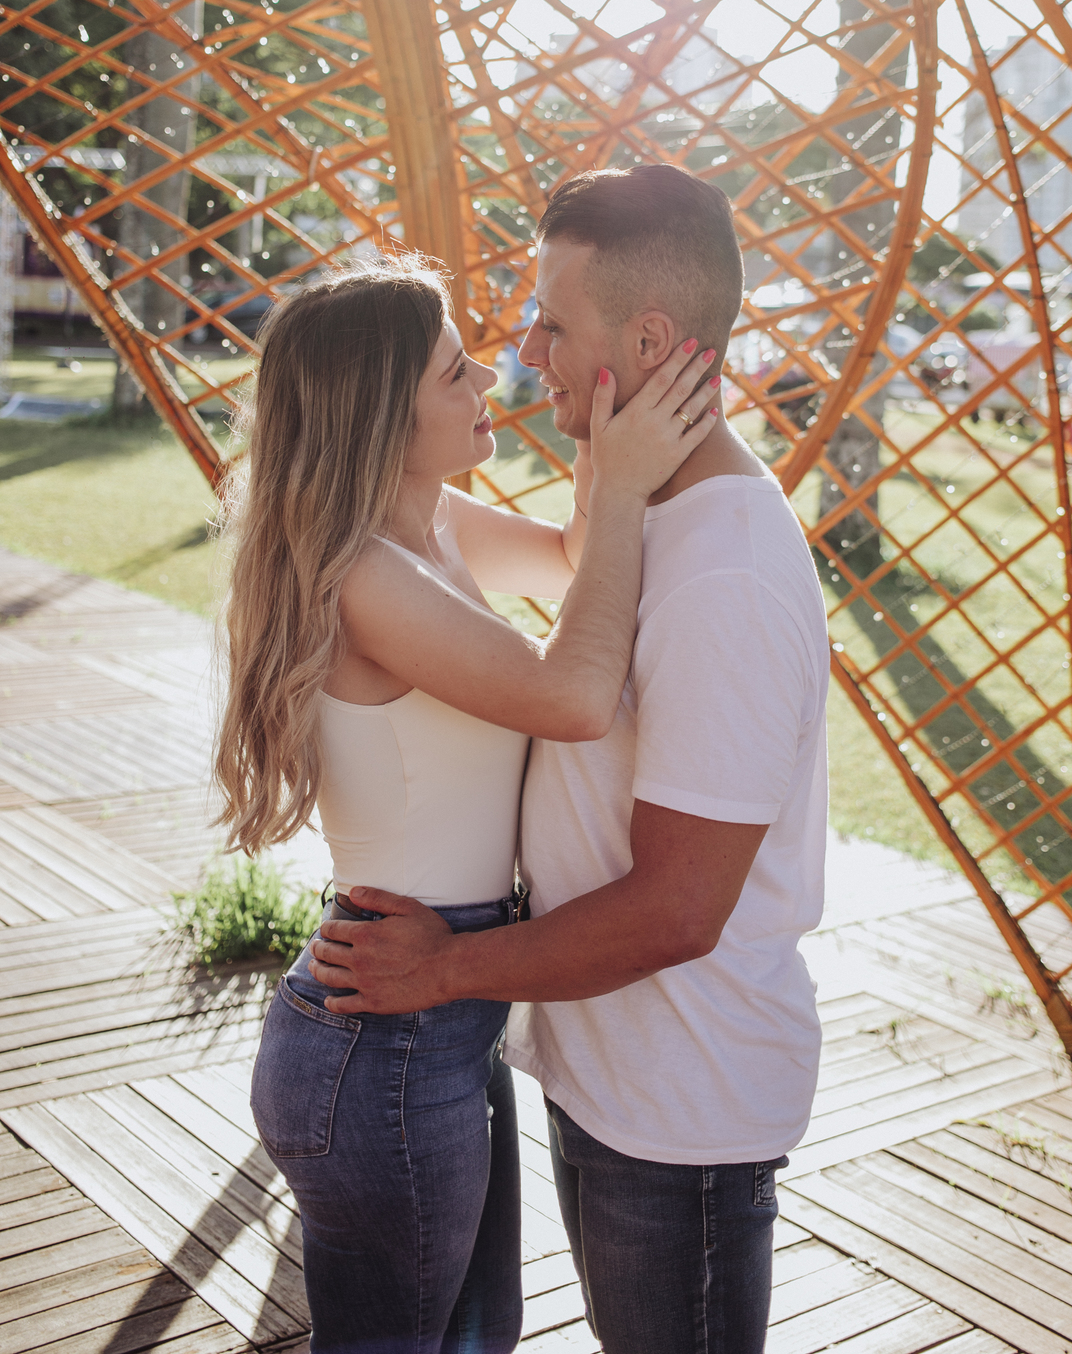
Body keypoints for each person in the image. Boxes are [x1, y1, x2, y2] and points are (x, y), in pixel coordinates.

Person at [311, 166, 831, 1354]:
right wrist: (612, 477)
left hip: (680, 1098)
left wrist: (449, 970)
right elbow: (568, 566)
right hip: (609, 1068)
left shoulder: (726, 574)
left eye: (553, 323)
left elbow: (680, 909)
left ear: (645, 343)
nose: (526, 351)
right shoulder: (650, 527)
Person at [213, 252, 717, 1354]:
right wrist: (622, 488)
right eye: (454, 372)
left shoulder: (431, 523)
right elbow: (571, 696)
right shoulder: (365, 575)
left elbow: (578, 558)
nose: (490, 376)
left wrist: (601, 445)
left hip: (440, 999)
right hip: (385, 1038)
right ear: (381, 416)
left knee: (476, 1338)